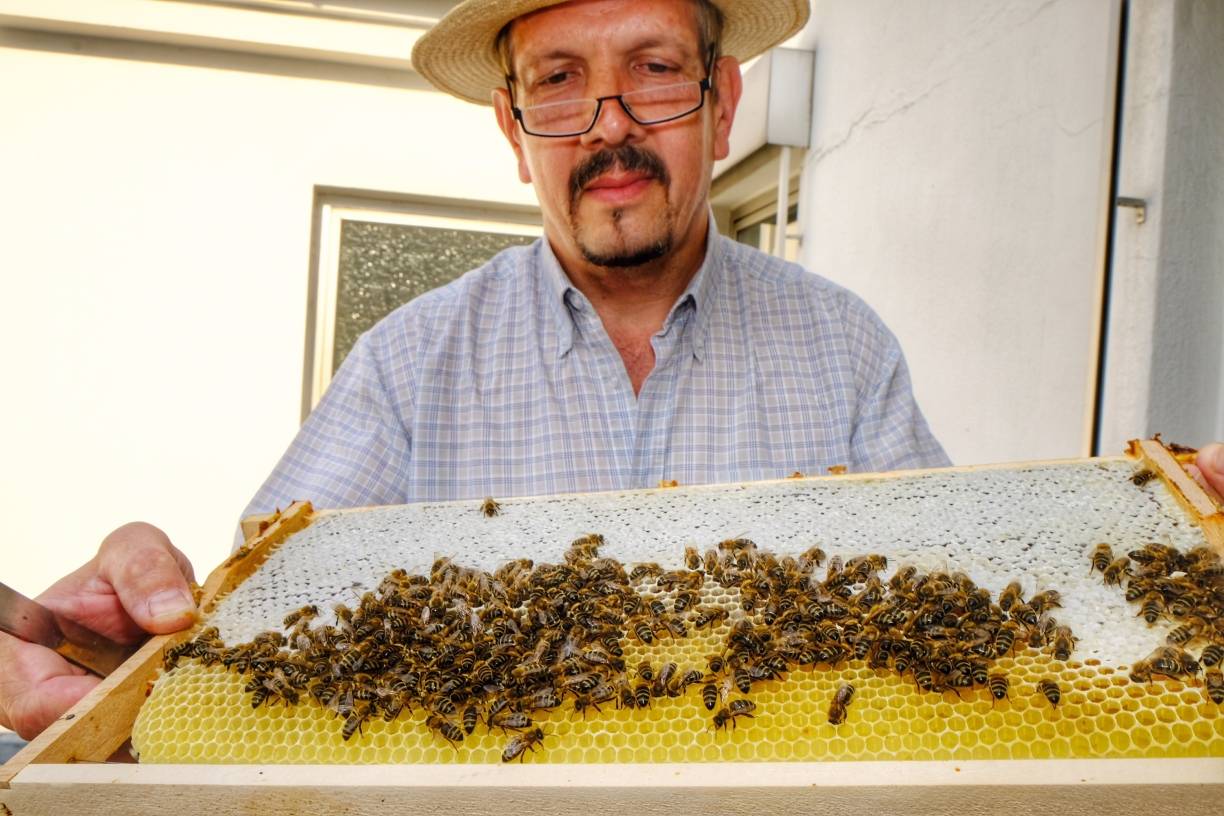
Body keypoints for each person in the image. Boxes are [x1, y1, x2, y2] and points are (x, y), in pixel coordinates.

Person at [1, 0, 1220, 743]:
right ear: (511, 124)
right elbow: (257, 642)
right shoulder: (409, 362)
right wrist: (126, 652)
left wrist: (1171, 569)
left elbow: (977, 608)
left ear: (722, 99)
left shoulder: (844, 343)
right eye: (559, 82)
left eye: (652, 68)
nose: (607, 125)